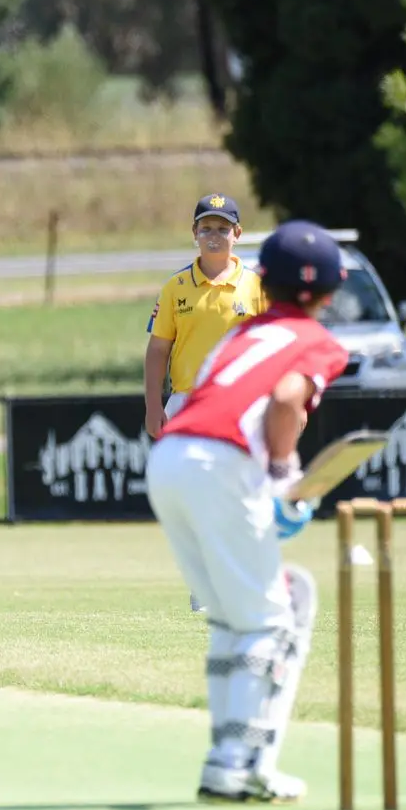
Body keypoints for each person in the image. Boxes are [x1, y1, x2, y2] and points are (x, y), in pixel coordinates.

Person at [144, 220, 350, 804]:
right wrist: (283, 476)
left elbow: (228, 400)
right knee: (275, 617)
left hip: (171, 460)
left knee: (238, 618)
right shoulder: (320, 343)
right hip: (219, 465)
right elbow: (286, 403)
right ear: (332, 291)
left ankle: (227, 759)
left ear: (263, 280)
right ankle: (241, 764)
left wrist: (267, 479)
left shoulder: (241, 333)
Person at [143, 193, 264, 613]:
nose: (214, 236)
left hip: (242, 401)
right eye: (206, 228)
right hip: (189, 404)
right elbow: (158, 350)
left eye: (222, 228)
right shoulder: (175, 287)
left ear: (238, 234)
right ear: (194, 234)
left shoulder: (257, 286)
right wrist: (152, 406)